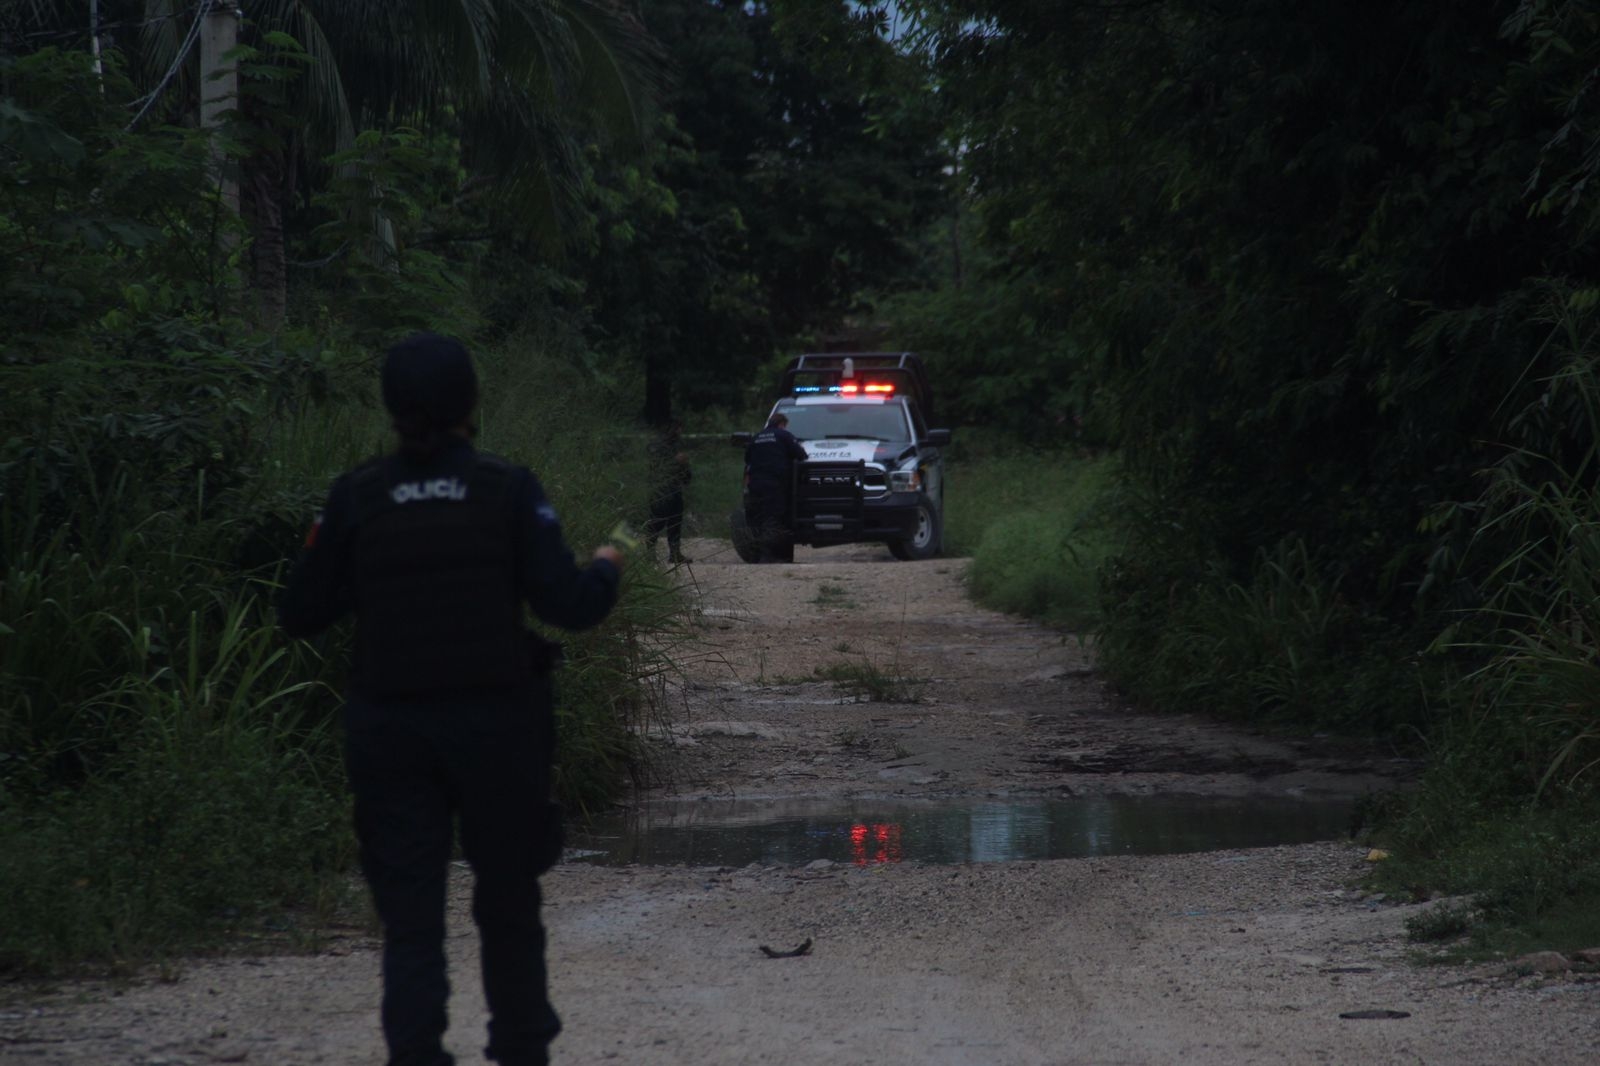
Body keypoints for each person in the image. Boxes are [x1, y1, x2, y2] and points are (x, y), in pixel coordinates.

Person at [277, 332, 623, 1066]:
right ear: (472, 404)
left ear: (392, 407)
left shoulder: (358, 496)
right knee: (507, 904)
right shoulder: (507, 489)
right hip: (498, 728)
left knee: (410, 917)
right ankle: (522, 1049)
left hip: (390, 731)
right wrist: (605, 567)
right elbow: (568, 605)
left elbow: (299, 611)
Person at [743, 411, 808, 563]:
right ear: (782, 424)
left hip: (756, 484)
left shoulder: (757, 437)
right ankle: (770, 555)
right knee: (774, 518)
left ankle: (758, 554)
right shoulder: (784, 435)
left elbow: (747, 459)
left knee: (758, 518)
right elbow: (801, 455)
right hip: (775, 484)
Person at [642, 422, 692, 565]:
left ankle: (674, 553)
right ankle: (651, 555)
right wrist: (676, 461)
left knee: (674, 522)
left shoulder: (671, 445)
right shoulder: (658, 447)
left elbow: (684, 470)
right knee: (657, 522)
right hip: (662, 489)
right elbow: (658, 467)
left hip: (671, 488)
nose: (680, 432)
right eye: (678, 429)